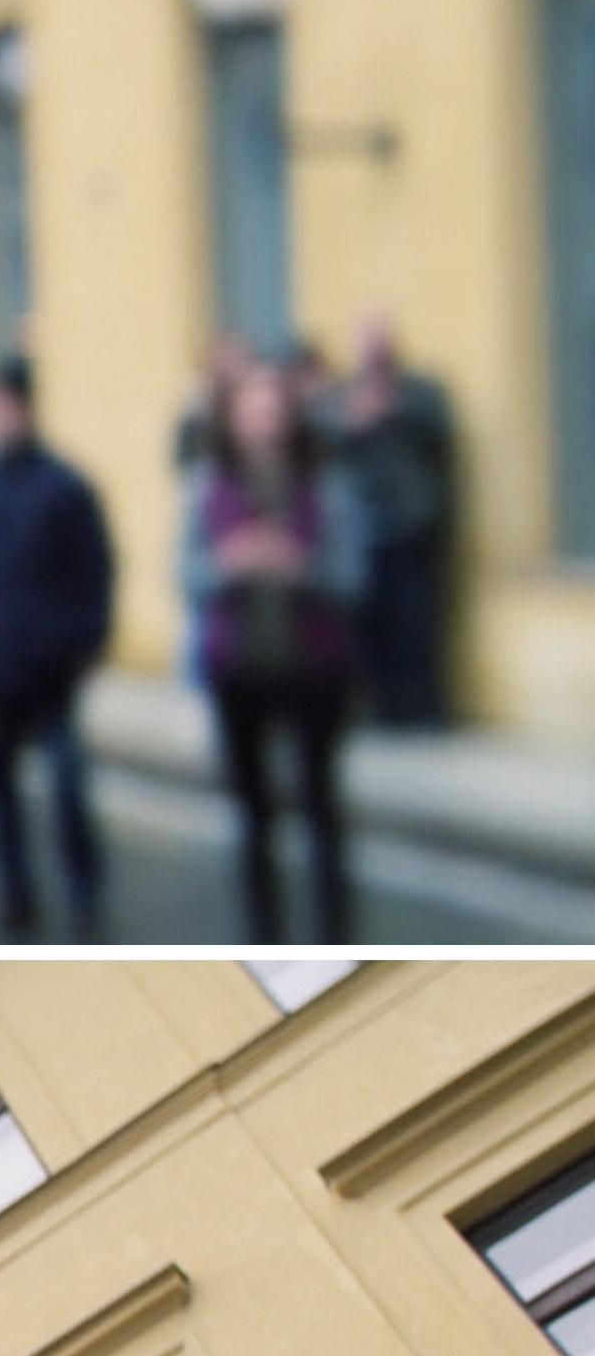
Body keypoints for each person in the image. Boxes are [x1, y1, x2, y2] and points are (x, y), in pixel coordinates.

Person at [186, 357, 362, 941]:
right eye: (250, 409)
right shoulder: (207, 489)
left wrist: (298, 568)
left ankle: (336, 933)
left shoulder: (325, 487)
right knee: (253, 816)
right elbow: (186, 575)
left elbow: (352, 576)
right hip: (239, 671)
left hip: (314, 667)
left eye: (272, 408)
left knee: (321, 810)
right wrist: (229, 565)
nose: (263, 421)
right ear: (232, 419)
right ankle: (264, 933)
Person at [0, 356, 115, 938]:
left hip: (51, 666)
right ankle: (16, 898)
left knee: (68, 782)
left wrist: (90, 638)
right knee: (1, 799)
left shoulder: (62, 486)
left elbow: (94, 565)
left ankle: (84, 893)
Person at [330, 316, 457, 729]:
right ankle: (381, 705)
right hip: (364, 528)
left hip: (412, 525)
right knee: (371, 626)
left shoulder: (418, 391)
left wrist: (391, 413)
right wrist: (354, 422)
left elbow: (438, 436)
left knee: (417, 622)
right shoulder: (343, 395)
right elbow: (325, 441)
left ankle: (424, 706)